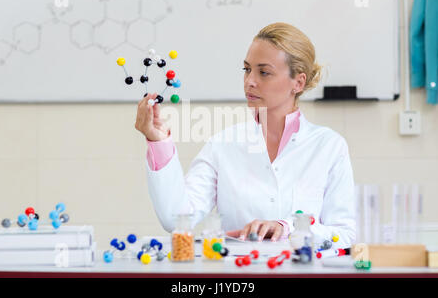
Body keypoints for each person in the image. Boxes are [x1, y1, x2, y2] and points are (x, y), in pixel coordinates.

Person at [135, 22, 356, 247]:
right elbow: (176, 219)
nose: (250, 81)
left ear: (298, 82)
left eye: (264, 72)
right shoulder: (223, 144)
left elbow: (344, 235)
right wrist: (158, 141)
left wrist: (288, 228)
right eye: (247, 69)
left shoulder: (328, 146)